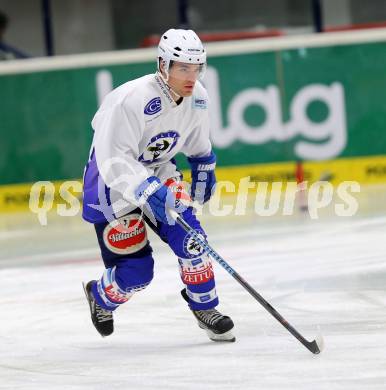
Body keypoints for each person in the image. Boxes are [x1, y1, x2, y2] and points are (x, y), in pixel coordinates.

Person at [82, 28, 235, 342]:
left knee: (192, 240)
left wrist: (203, 164)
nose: (191, 76)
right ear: (163, 65)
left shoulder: (199, 98)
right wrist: (146, 189)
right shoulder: (130, 100)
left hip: (159, 171)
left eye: (197, 68)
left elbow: (196, 142)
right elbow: (112, 159)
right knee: (136, 274)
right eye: (183, 68)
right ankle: (101, 295)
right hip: (111, 185)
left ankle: (205, 307)